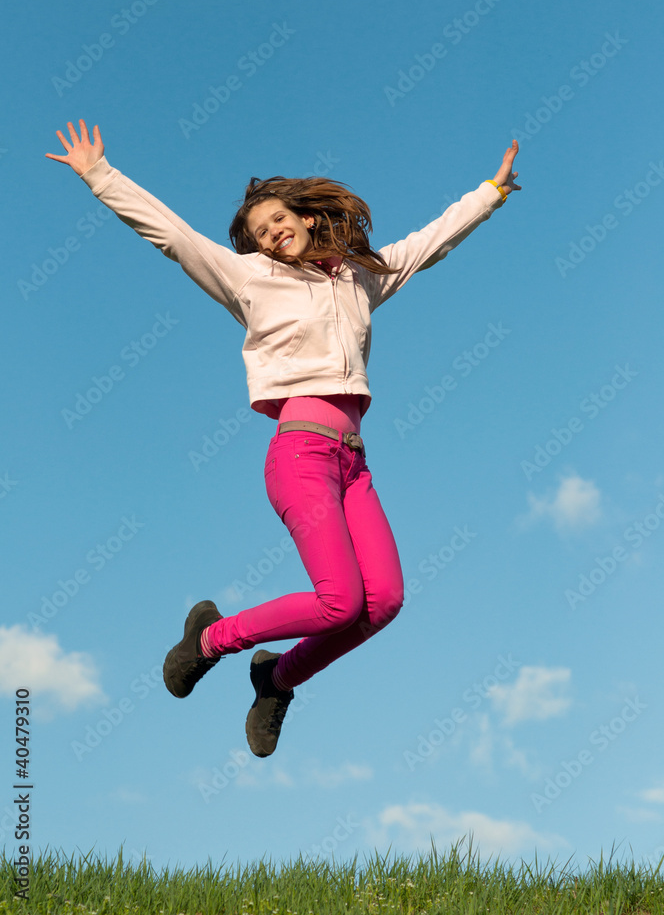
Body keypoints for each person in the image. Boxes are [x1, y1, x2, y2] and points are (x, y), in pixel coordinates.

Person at [46, 120, 521, 758]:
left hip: (354, 464)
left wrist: (488, 194)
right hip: (300, 453)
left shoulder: (359, 276)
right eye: (261, 230)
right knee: (337, 601)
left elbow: (427, 244)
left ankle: (276, 678)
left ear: (303, 215)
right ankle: (210, 639)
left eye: (279, 218)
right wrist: (101, 176)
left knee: (382, 603)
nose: (273, 230)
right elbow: (174, 237)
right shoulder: (250, 281)